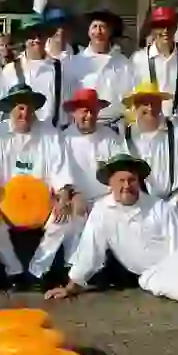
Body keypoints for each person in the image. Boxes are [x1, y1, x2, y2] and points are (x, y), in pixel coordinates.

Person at [44, 154, 178, 305]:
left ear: (139, 181)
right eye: (121, 181)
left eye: (132, 180)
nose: (127, 185)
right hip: (151, 273)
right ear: (110, 183)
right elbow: (90, 251)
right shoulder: (101, 211)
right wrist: (70, 288)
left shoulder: (157, 205)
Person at [0, 83, 76, 288]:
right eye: (18, 107)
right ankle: (14, 271)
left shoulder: (50, 135)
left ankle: (37, 272)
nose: (23, 112)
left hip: (43, 205)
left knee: (65, 219)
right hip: (5, 205)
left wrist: (62, 199)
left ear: (34, 108)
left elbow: (62, 173)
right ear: (10, 109)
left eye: (27, 107)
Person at [120, 82, 178, 243]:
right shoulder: (124, 136)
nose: (150, 107)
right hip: (139, 203)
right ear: (135, 106)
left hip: (175, 200)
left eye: (154, 103)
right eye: (144, 103)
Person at [55, 88, 129, 268]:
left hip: (106, 196)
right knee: (74, 220)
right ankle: (72, 267)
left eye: (92, 111)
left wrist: (112, 196)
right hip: (76, 196)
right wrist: (73, 194)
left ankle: (110, 266)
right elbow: (59, 172)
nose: (88, 115)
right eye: (84, 111)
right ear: (74, 113)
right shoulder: (63, 138)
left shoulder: (110, 137)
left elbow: (120, 168)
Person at [0, 13, 76, 129]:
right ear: (24, 39)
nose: (37, 40)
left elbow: (67, 109)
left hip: (51, 137)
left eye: (40, 35)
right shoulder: (10, 70)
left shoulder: (61, 69)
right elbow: (1, 109)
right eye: (31, 36)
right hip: (19, 137)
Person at [68, 9, 136, 128]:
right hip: (85, 126)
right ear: (89, 32)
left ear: (110, 32)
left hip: (117, 127)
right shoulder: (76, 62)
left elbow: (131, 97)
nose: (98, 32)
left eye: (103, 27)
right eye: (94, 26)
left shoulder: (124, 63)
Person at [131, 7, 178, 126]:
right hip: (151, 124)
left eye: (169, 26)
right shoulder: (138, 59)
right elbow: (133, 94)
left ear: (176, 28)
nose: (165, 30)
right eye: (161, 26)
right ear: (153, 29)